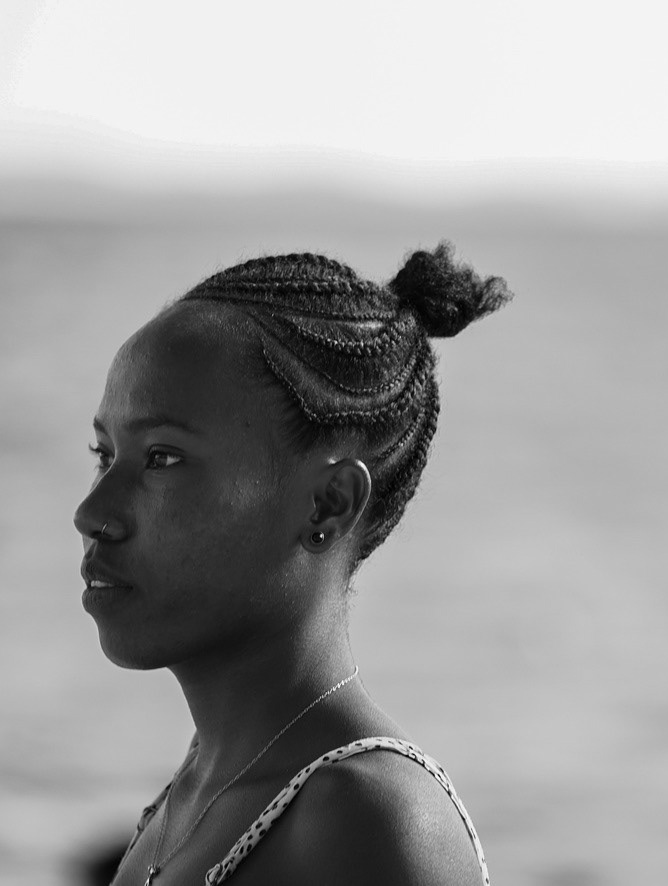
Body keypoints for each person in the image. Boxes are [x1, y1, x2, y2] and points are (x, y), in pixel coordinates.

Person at [73, 242, 511, 885]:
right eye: (104, 455)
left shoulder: (368, 819)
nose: (92, 513)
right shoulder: (198, 790)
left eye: (162, 458)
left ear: (329, 502)